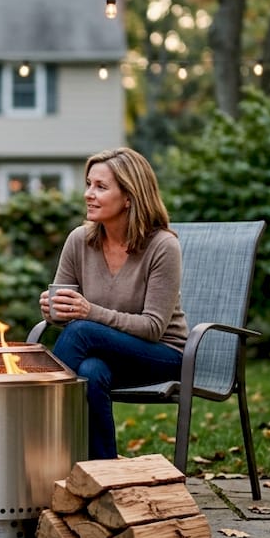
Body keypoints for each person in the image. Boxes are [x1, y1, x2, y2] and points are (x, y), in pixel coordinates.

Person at [40, 147, 188, 460]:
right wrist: (55, 312)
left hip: (163, 353)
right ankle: (103, 475)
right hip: (103, 352)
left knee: (82, 330)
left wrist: (86, 313)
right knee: (92, 371)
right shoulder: (79, 240)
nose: (88, 194)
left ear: (130, 197)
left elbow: (152, 327)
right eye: (89, 184)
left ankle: (38, 427)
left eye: (101, 187)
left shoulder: (163, 246)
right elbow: (70, 312)